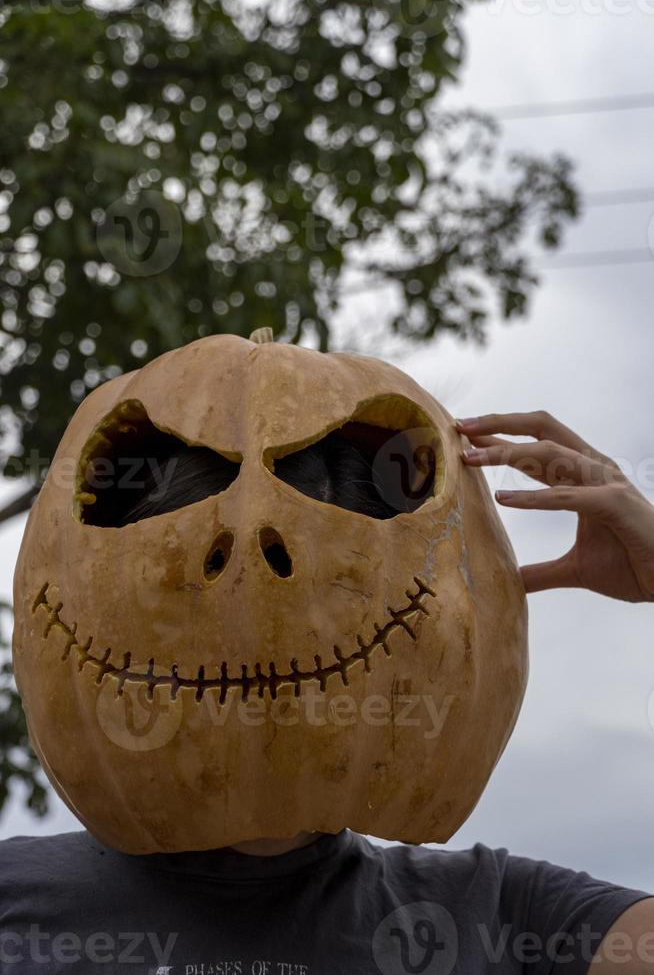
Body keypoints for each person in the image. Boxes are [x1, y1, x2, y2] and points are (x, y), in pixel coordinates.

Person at [0, 408, 652, 975]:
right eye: (195, 601)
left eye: (326, 594)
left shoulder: (507, 915)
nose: (259, 633)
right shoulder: (14, 898)